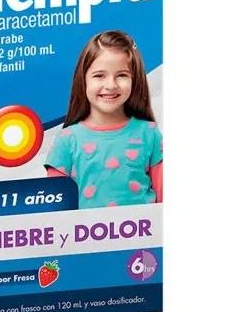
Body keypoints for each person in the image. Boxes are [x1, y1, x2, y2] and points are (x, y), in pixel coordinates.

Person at [44, 30, 163, 208]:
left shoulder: (150, 134)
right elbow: (55, 210)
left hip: (145, 226)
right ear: (83, 79)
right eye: (99, 75)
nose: (111, 85)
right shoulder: (66, 140)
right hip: (84, 227)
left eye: (122, 75)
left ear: (135, 79)